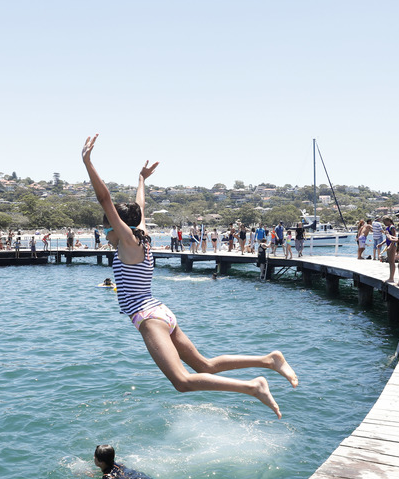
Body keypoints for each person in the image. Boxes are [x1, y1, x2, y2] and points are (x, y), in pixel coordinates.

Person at [82, 134, 297, 418]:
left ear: (119, 227)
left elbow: (104, 198)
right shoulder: (141, 236)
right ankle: (269, 360)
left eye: (108, 226)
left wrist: (87, 161)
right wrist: (141, 179)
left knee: (182, 382)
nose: (106, 231)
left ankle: (253, 386)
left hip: (149, 318)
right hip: (160, 311)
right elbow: (140, 207)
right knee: (204, 366)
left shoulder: (128, 242)